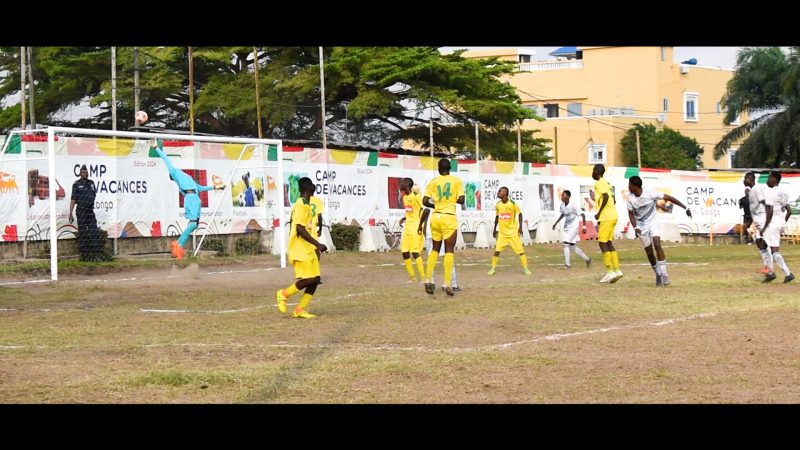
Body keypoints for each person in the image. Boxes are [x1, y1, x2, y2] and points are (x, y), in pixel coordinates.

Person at [151, 139, 224, 260]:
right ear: (173, 177)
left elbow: (201, 188)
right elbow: (166, 159)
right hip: (191, 199)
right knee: (193, 224)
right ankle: (178, 245)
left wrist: (217, 186)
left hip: (196, 198)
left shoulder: (188, 178)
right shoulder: (174, 173)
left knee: (195, 225)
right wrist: (156, 148)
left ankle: (177, 245)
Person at [276, 177, 328, 319]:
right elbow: (299, 229)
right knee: (310, 279)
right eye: (312, 184)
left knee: (316, 279)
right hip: (300, 248)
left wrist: (316, 246)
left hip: (309, 248)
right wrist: (317, 244)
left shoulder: (307, 204)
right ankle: (283, 294)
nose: (314, 186)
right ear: (307, 188)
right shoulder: (300, 204)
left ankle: (299, 310)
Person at [627, 176, 692, 286]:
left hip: (653, 221)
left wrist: (685, 208)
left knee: (657, 244)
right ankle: (658, 274)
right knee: (649, 252)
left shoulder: (649, 192)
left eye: (629, 185)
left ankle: (665, 275)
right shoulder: (630, 198)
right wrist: (635, 227)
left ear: (635, 186)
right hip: (641, 226)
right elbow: (630, 214)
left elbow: (669, 198)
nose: (628, 187)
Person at [422, 159, 464, 296]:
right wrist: (451, 201)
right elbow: (462, 200)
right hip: (448, 217)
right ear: (450, 168)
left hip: (435, 217)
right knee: (449, 250)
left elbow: (425, 201)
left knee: (434, 249)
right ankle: (446, 282)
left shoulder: (433, 182)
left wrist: (437, 205)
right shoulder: (456, 181)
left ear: (439, 169)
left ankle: (428, 279)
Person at [487, 186, 531, 275]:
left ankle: (526, 269)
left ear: (506, 194)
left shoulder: (512, 204)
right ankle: (493, 268)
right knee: (497, 250)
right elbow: (497, 216)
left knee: (520, 251)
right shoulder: (498, 205)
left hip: (513, 232)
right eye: (499, 191)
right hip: (502, 233)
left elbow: (520, 214)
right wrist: (495, 228)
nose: (498, 193)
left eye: (500, 191)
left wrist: (520, 228)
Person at [743, 171, 777, 282]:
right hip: (757, 221)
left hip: (763, 220)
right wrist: (750, 222)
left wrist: (767, 220)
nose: (744, 180)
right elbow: (754, 209)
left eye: (745, 178)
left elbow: (766, 205)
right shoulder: (751, 191)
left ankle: (770, 270)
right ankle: (768, 268)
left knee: (764, 243)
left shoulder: (757, 189)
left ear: (750, 179)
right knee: (759, 243)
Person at [592, 164, 622, 283]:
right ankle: (617, 270)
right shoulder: (607, 183)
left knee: (602, 243)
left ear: (596, 172)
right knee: (609, 243)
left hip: (606, 217)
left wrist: (599, 213)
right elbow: (613, 199)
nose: (592, 173)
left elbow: (605, 197)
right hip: (613, 215)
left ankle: (610, 272)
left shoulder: (599, 183)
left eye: (593, 171)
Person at [765, 171, 794, 283]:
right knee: (765, 245)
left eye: (769, 178)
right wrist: (782, 222)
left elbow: (770, 211)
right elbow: (789, 211)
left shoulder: (771, 192)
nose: (768, 180)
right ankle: (773, 273)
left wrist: (765, 227)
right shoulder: (783, 192)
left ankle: (784, 273)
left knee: (770, 248)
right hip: (780, 223)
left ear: (774, 179)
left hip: (773, 223)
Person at [398, 178, 428, 283]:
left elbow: (425, 211)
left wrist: (421, 225)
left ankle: (424, 278)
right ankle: (413, 278)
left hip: (416, 226)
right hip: (407, 228)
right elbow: (410, 212)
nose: (400, 184)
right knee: (405, 252)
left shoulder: (416, 196)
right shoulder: (405, 198)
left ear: (407, 185)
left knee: (415, 252)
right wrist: (404, 218)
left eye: (402, 183)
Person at [552, 190, 591, 269]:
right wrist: (556, 223)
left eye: (564, 195)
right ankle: (587, 259)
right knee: (572, 246)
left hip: (574, 227)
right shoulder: (562, 205)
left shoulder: (573, 205)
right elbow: (563, 214)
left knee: (565, 244)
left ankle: (567, 265)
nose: (562, 197)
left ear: (568, 197)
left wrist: (584, 227)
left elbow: (583, 215)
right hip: (567, 227)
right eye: (562, 195)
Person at [68, 164, 101, 261]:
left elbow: (93, 195)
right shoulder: (76, 184)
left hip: (90, 211)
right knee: (83, 233)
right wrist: (70, 212)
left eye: (86, 172)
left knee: (94, 232)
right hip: (81, 211)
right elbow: (73, 200)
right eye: (83, 172)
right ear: (80, 174)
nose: (85, 174)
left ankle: (96, 256)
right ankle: (84, 256)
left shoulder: (91, 183)